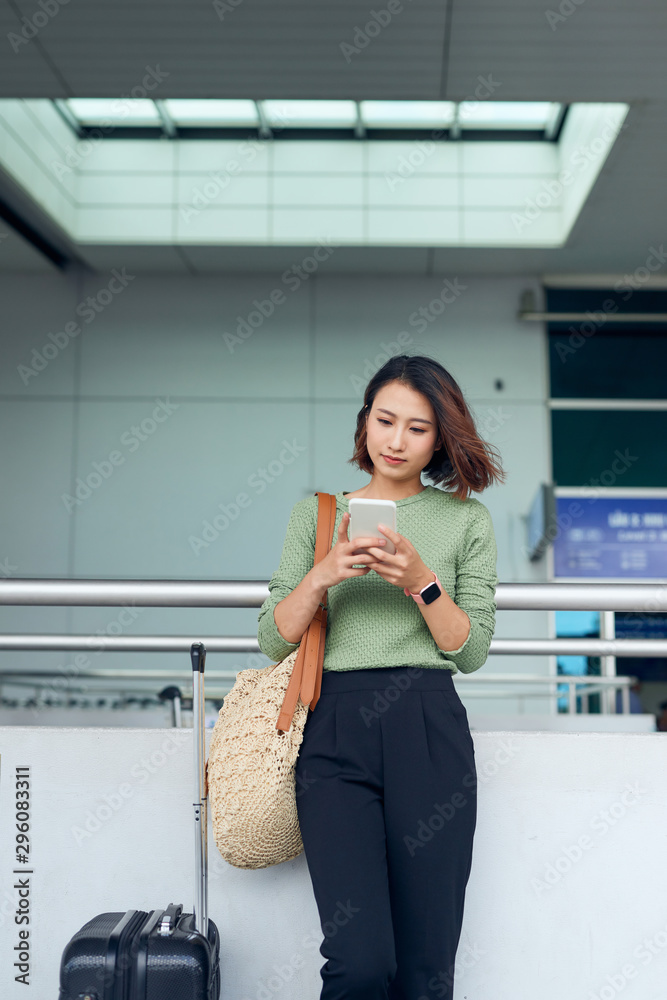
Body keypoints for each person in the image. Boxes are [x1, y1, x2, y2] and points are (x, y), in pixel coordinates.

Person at [257, 353, 505, 1000]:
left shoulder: (464, 519)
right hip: (334, 732)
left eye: (417, 428)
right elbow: (271, 638)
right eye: (385, 420)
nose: (396, 440)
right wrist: (324, 574)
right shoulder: (315, 514)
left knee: (426, 971)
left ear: (439, 438)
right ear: (363, 422)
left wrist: (420, 582)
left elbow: (471, 650)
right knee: (358, 962)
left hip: (428, 728)